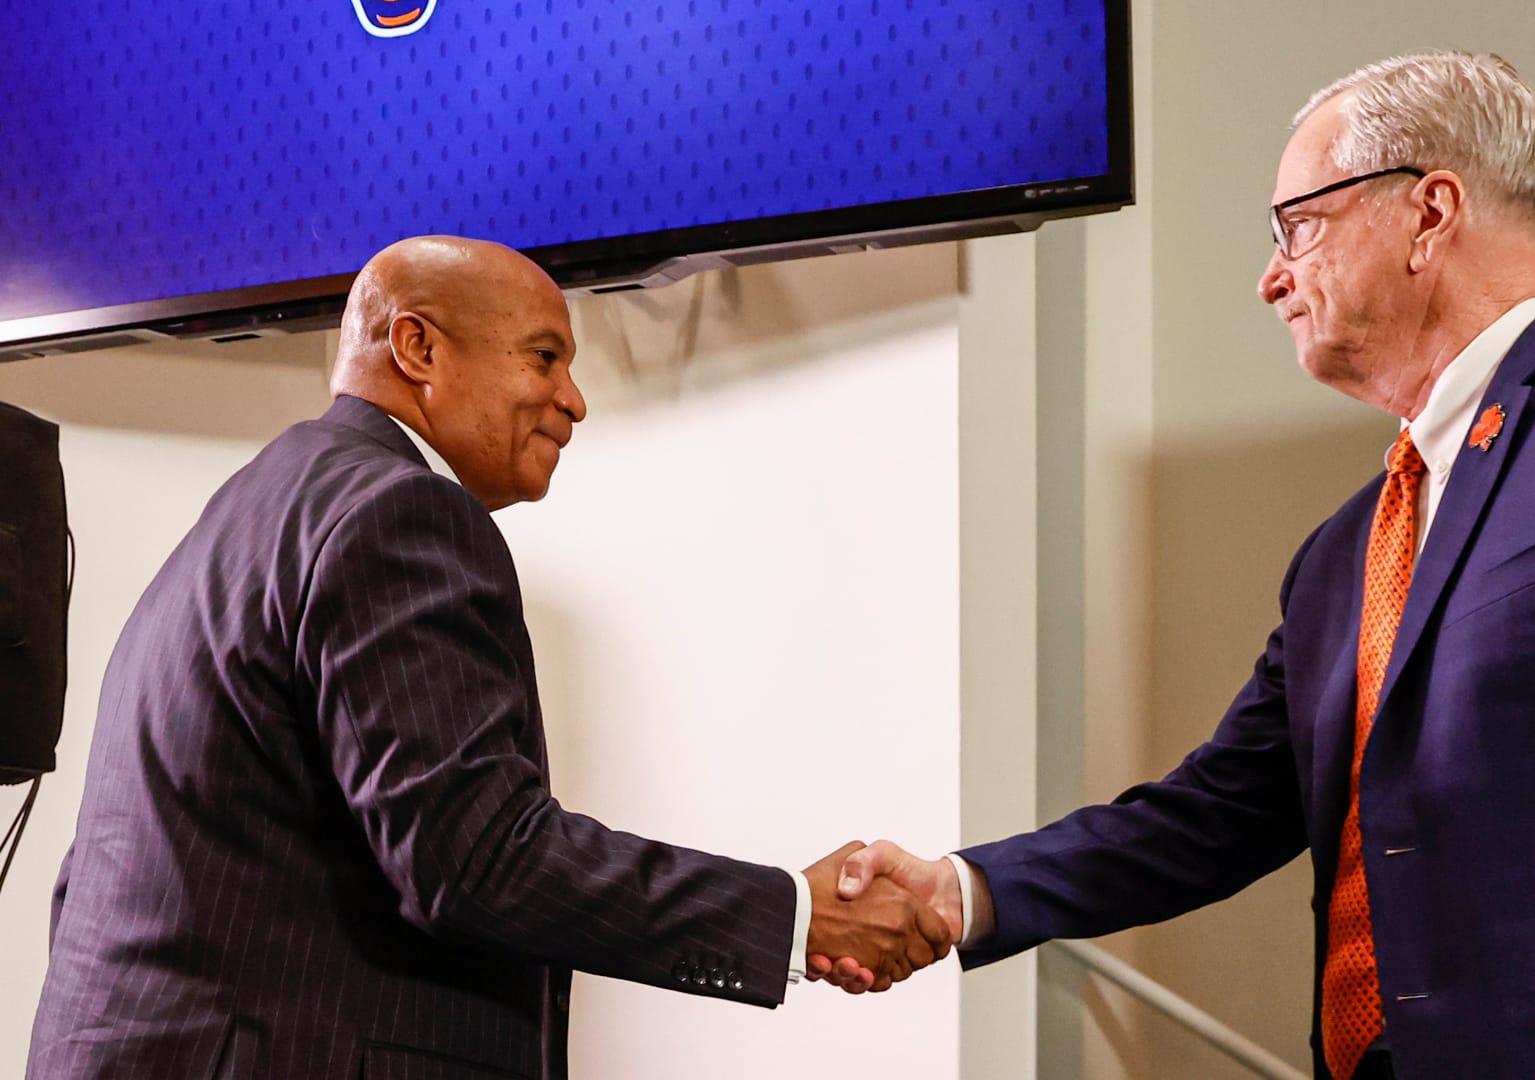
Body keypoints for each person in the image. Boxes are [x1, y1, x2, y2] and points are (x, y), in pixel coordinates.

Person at [815, 51, 1535, 1079]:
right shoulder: (1342, 552)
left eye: (1297, 226)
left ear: (1427, 213)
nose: (1271, 279)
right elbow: (1215, 812)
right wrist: (960, 893)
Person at [27, 236, 949, 1079]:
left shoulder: (256, 507)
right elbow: (473, 859)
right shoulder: (397, 514)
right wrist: (792, 914)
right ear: (418, 349)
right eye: (545, 356)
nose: (574, 400)